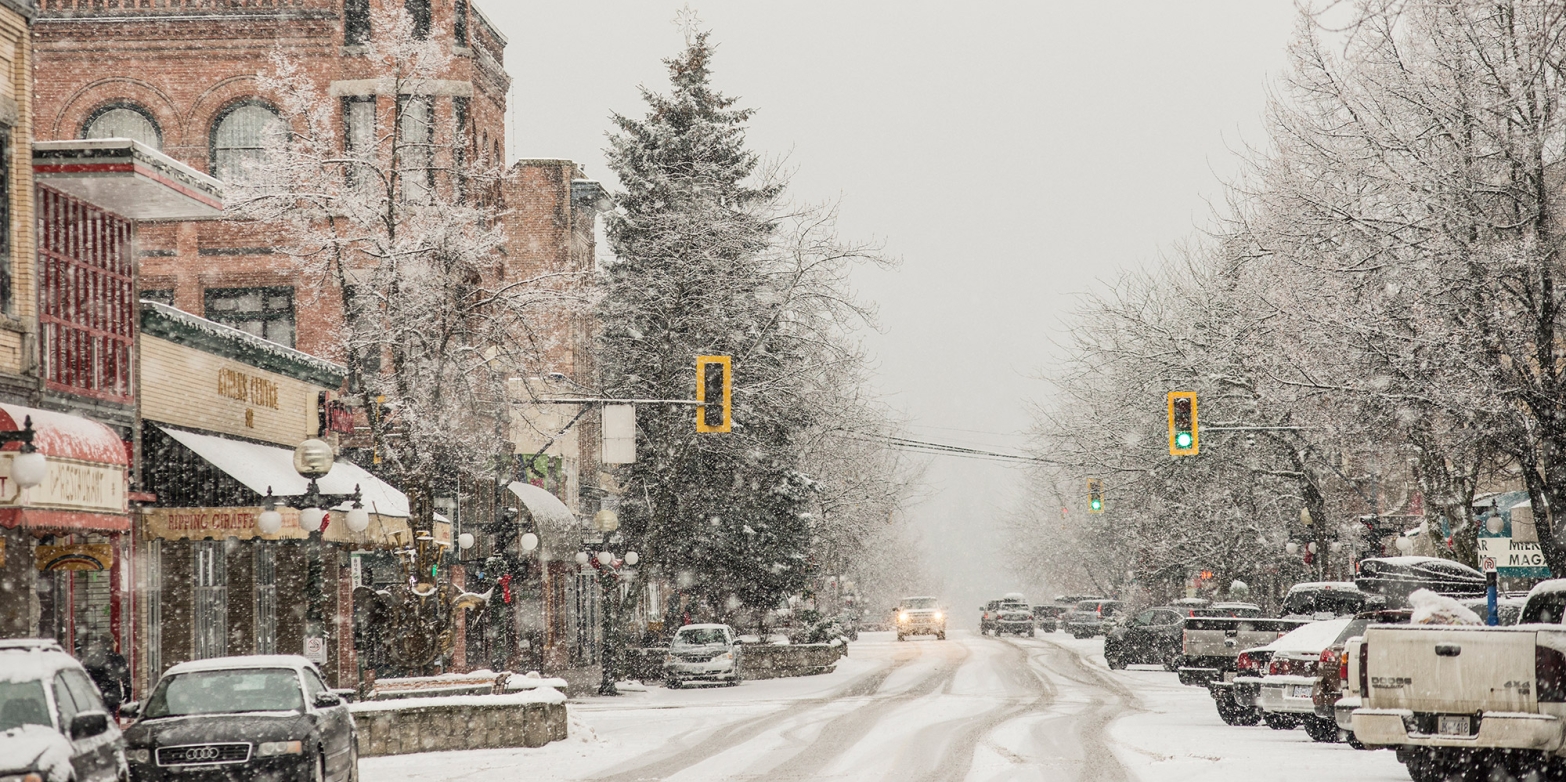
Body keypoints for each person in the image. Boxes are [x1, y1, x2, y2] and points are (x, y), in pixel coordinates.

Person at [80, 636, 131, 715]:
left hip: (96, 695)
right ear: (111, 644)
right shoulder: (117, 658)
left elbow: (86, 677)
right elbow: (125, 677)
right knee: (110, 718)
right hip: (112, 697)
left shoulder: (93, 658)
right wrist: (128, 694)